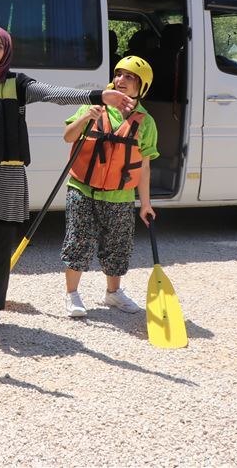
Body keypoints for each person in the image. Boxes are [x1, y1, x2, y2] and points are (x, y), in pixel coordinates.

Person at [0, 26, 136, 335]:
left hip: (8, 177)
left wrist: (97, 95)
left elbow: (55, 94)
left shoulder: (19, 84)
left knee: (0, 250)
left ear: (7, 51)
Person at [61, 56, 158, 317]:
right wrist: (85, 119)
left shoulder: (146, 122)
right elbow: (68, 136)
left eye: (130, 77)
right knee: (78, 241)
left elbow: (145, 167)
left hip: (120, 195)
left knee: (118, 245)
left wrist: (145, 203)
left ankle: (113, 294)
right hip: (82, 188)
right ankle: (72, 295)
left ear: (142, 86)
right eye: (119, 74)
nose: (121, 80)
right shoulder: (96, 106)